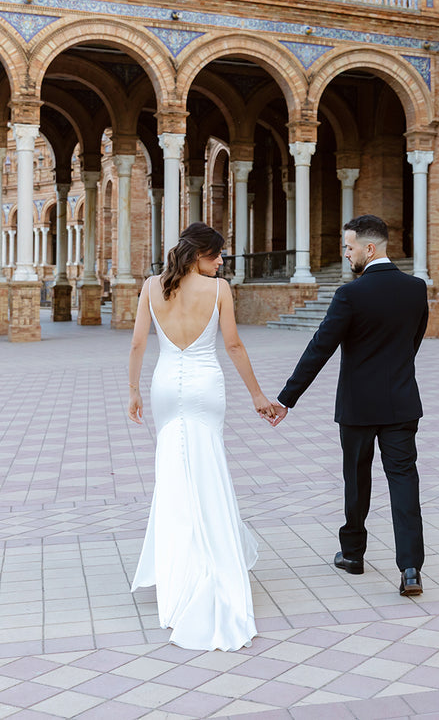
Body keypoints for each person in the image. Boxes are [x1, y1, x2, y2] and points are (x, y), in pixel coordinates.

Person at [127, 222, 282, 650]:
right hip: (205, 386)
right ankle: (210, 555)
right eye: (216, 256)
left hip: (163, 386)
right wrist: (257, 395)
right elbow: (232, 345)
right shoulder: (219, 290)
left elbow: (138, 344)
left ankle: (177, 567)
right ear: (200, 255)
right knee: (207, 468)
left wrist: (133, 391)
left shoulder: (150, 287)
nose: (220, 263)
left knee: (173, 474)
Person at [270, 214, 430, 597]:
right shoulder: (415, 288)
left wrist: (287, 398)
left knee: (357, 481)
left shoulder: (350, 295)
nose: (346, 254)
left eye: (349, 247)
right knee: (404, 482)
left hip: (358, 407)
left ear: (369, 249)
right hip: (402, 402)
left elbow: (319, 349)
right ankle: (410, 569)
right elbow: (414, 342)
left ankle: (353, 555)